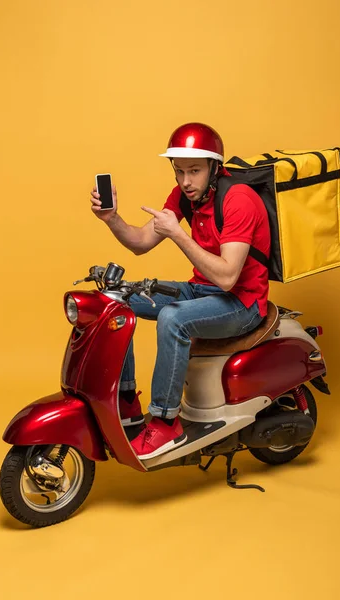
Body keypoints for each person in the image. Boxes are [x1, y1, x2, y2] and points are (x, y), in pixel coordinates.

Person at [90, 123, 270, 460]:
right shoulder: (187, 197)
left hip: (242, 303)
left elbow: (228, 277)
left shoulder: (238, 200)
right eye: (179, 171)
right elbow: (141, 243)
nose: (186, 181)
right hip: (202, 291)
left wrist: (177, 234)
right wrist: (111, 218)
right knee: (119, 299)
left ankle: (165, 421)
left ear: (215, 167)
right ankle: (127, 401)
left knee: (173, 319)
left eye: (195, 171)